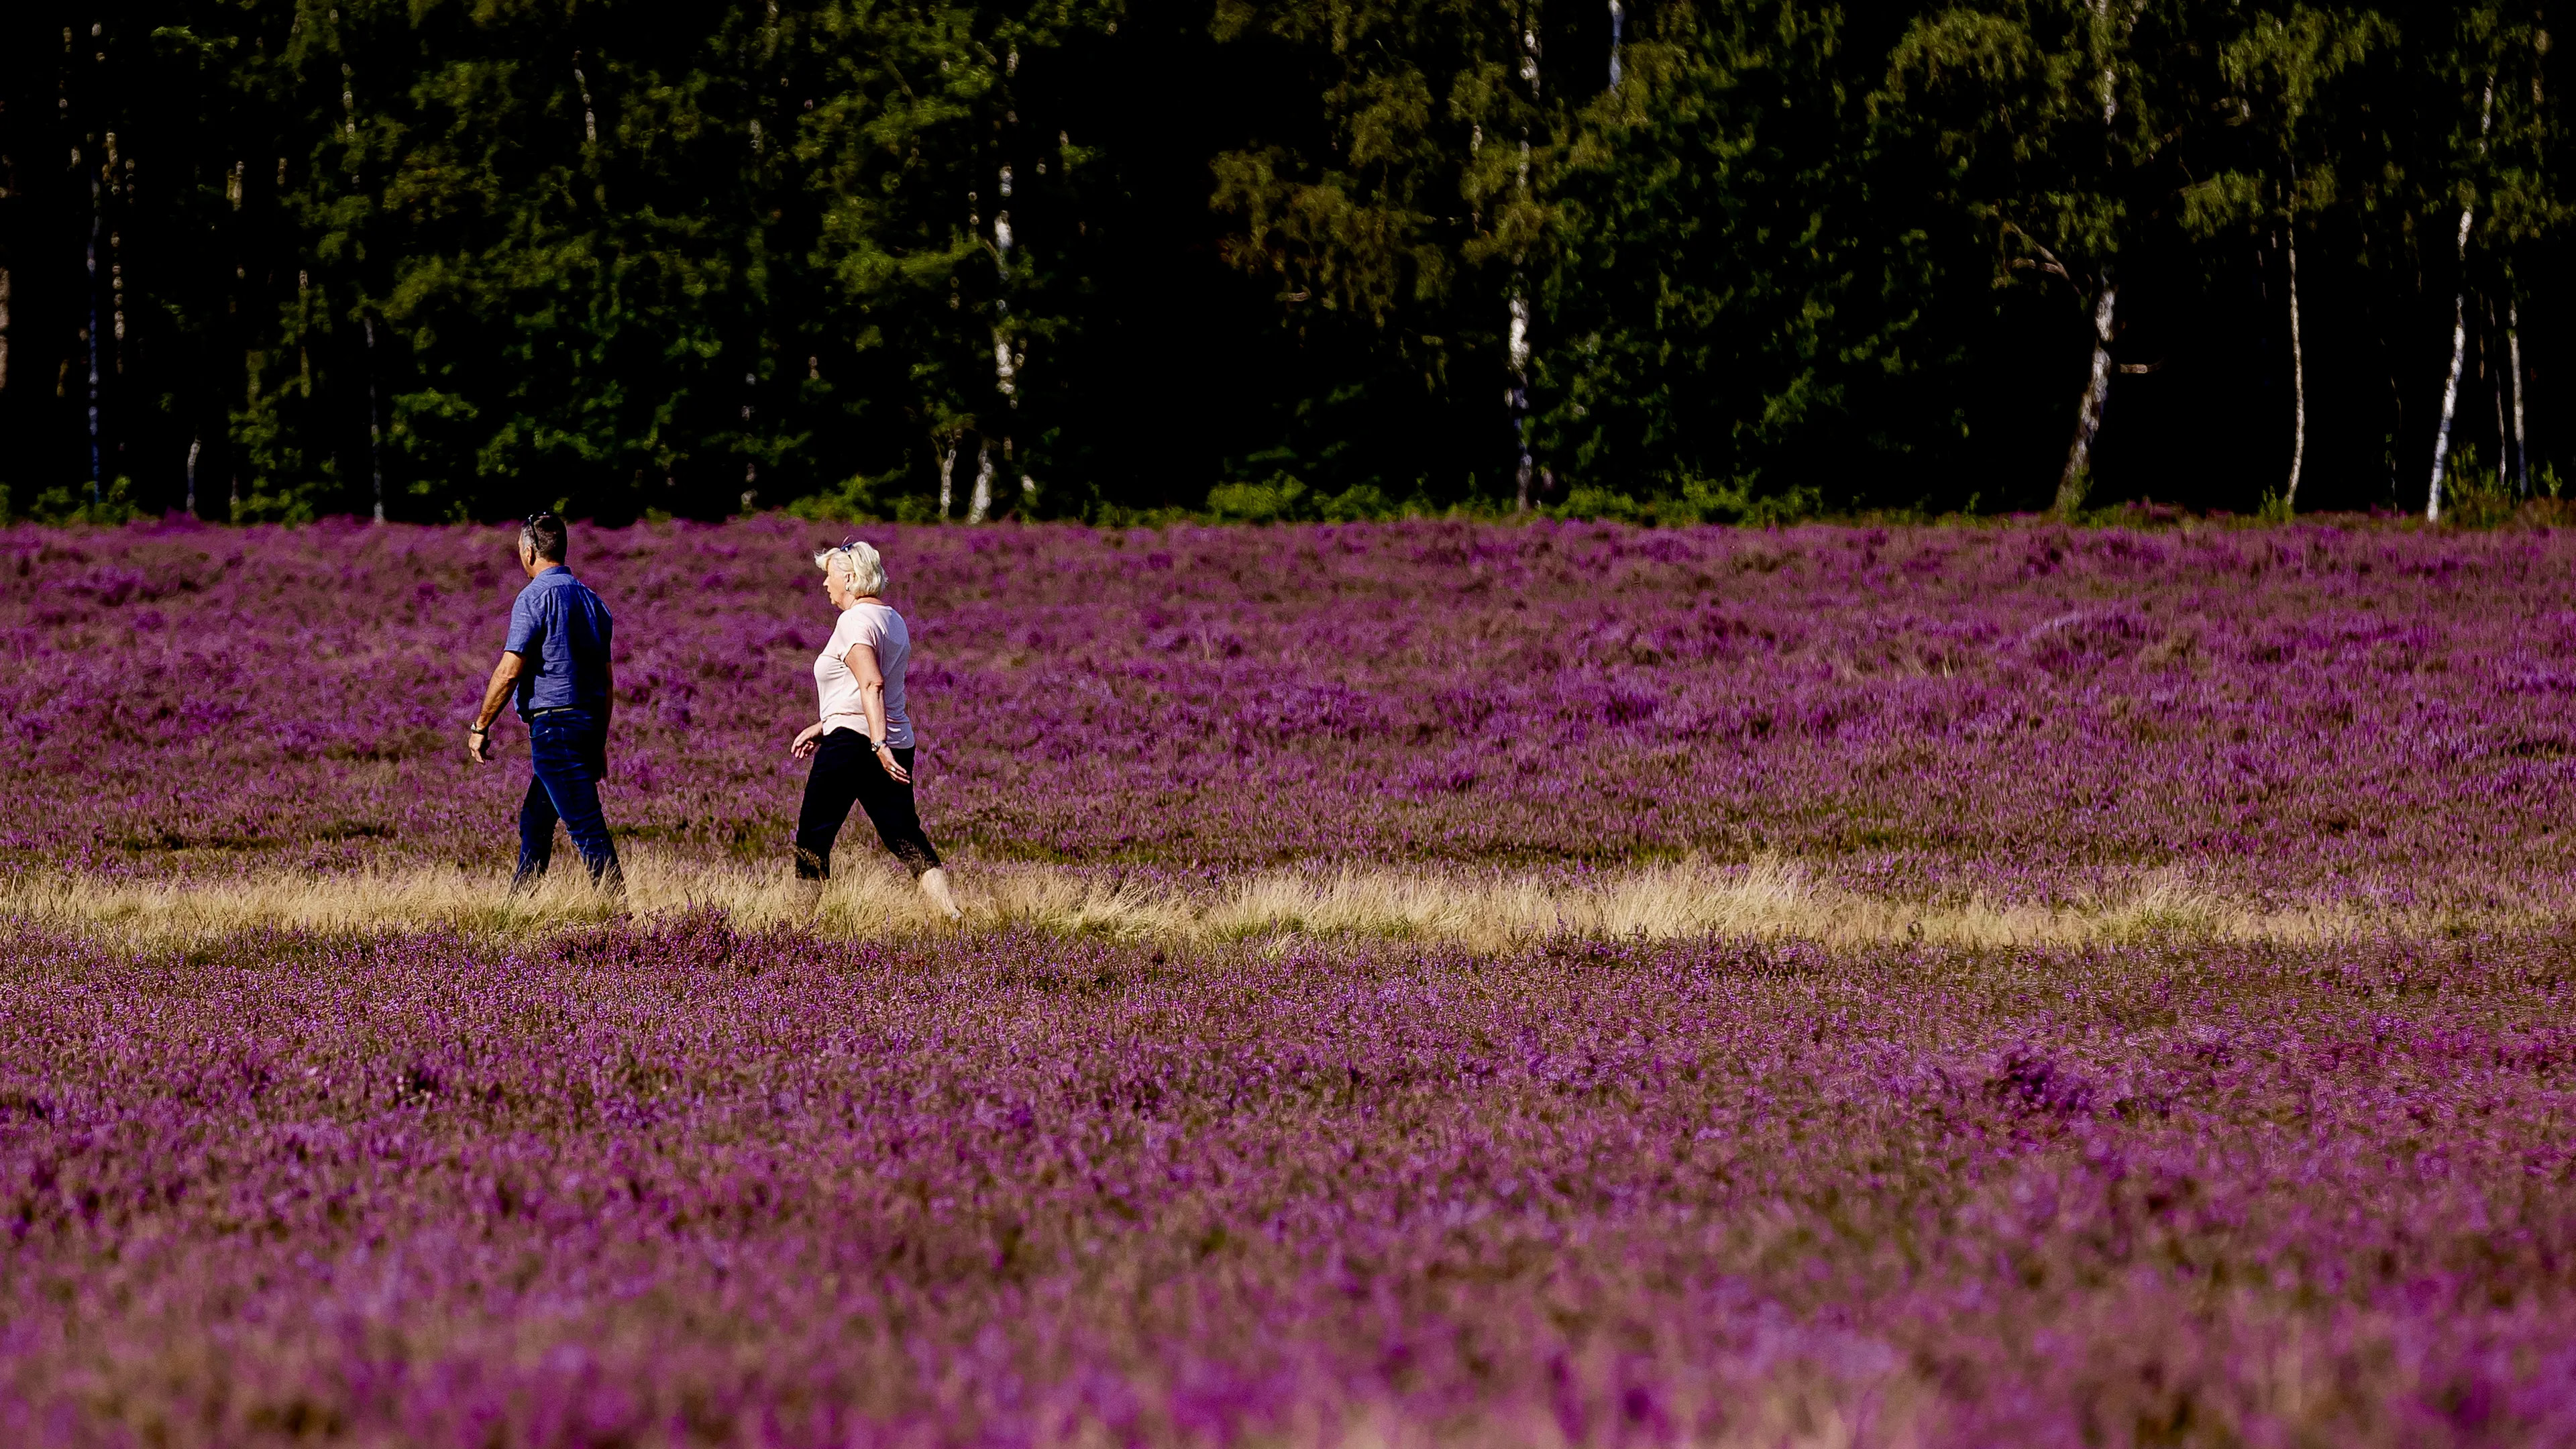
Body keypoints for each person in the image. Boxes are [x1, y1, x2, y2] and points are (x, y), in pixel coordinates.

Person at [792, 540, 960, 918]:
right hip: (895, 741)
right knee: (904, 834)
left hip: (857, 745)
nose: (825, 585)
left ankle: (796, 928)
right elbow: (860, 691)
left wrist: (876, 743)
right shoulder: (893, 619)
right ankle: (950, 914)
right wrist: (825, 725)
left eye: (830, 576)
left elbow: (872, 683)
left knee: (814, 834)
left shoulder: (853, 621)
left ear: (851, 579)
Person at [466, 512, 624, 896]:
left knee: (586, 826)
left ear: (530, 551)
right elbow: (607, 682)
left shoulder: (533, 598)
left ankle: (618, 912)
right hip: (585, 726)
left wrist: (480, 726)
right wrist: (599, 741)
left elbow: (509, 671)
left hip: (555, 728)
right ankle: (521, 902)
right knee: (536, 819)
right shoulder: (593, 602)